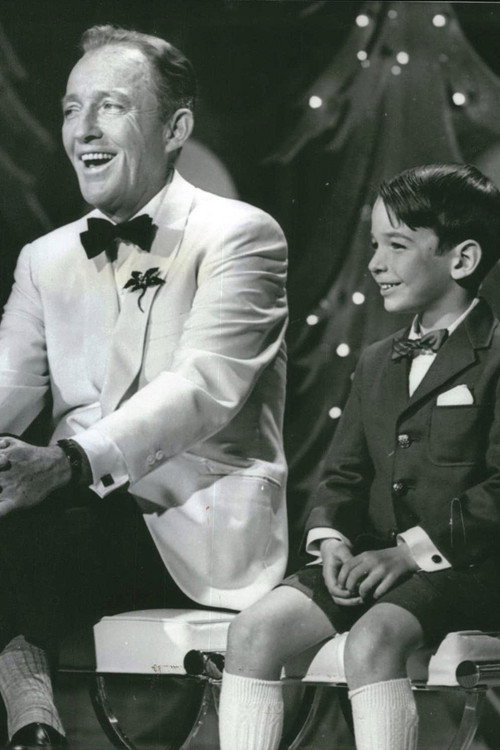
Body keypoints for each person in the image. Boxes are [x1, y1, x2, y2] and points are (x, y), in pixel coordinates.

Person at [0, 24, 288, 750]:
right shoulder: (45, 258)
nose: (84, 130)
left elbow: (202, 387)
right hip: (72, 522)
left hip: (188, 525)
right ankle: (33, 721)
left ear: (175, 129)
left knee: (32, 527)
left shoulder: (241, 235)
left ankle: (29, 708)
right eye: (71, 108)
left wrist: (68, 462)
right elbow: (7, 385)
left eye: (112, 106)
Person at [219, 163, 500, 750]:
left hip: (470, 567)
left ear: (463, 259)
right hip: (374, 560)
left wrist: (409, 554)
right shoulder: (377, 360)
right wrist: (332, 541)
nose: (375, 263)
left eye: (396, 245)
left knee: (373, 641)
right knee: (252, 632)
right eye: (374, 245)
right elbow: (343, 474)